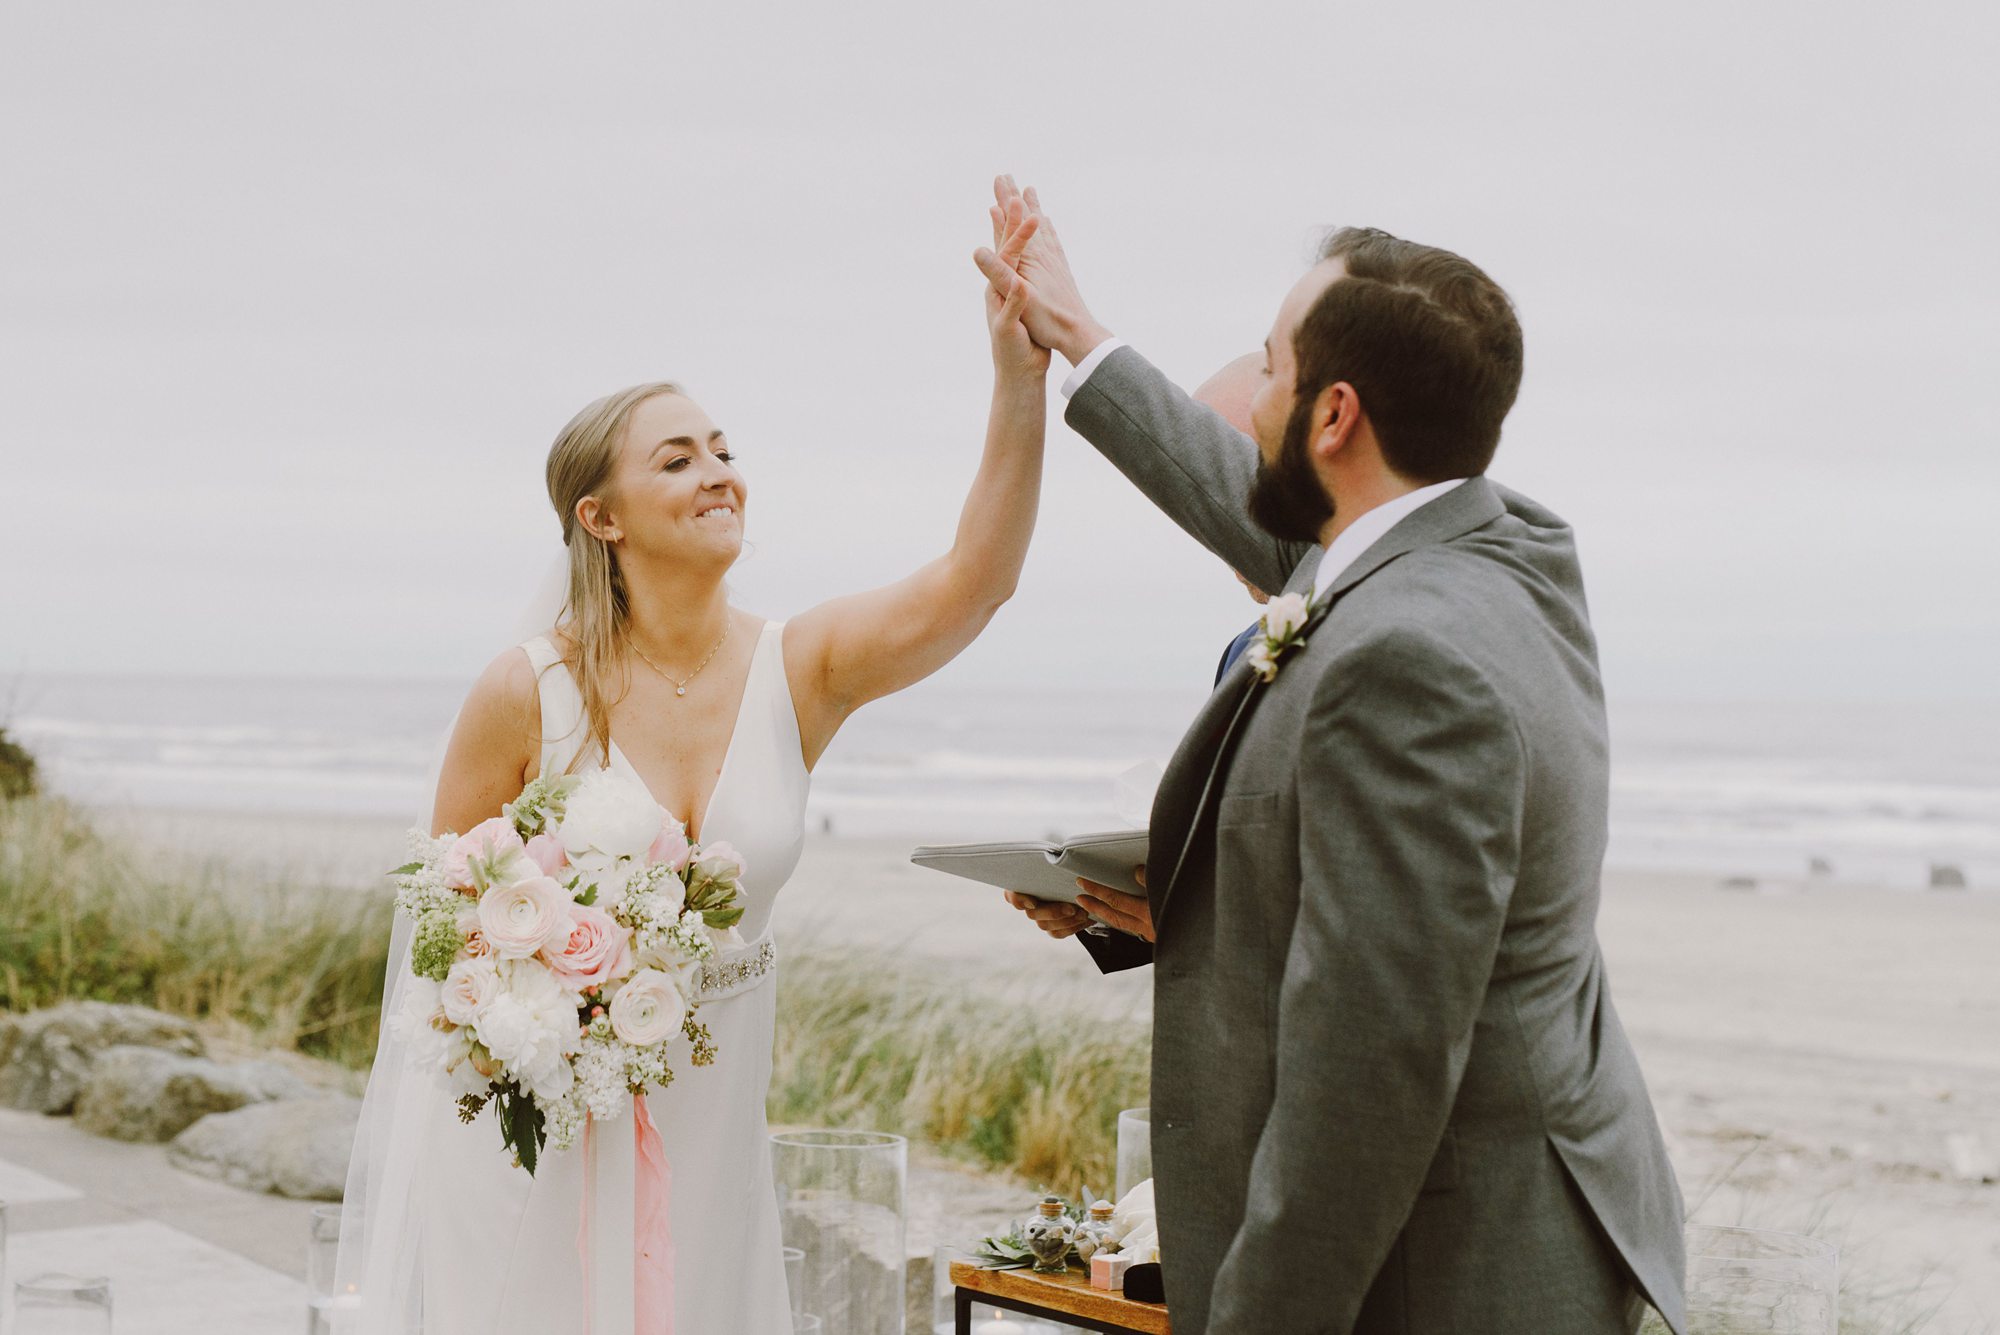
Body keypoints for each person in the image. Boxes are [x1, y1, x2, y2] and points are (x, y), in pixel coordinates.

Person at [982, 180, 1687, 1335]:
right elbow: (1267, 519)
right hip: (1526, 1207)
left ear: (1334, 416)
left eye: (1266, 369)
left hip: (1442, 1270)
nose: (1248, 401)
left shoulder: (1406, 665)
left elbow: (1369, 1074)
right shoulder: (1498, 551)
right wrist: (1078, 336)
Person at [337, 203, 1051, 1334]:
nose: (719, 472)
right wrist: (550, 1007)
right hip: (541, 1142)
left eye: (723, 450)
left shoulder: (798, 667)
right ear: (600, 516)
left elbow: (976, 581)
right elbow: (439, 941)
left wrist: (1018, 377)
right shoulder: (525, 692)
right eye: (677, 459)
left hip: (714, 1121)